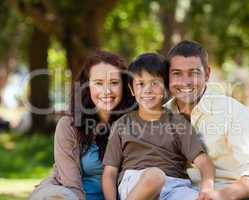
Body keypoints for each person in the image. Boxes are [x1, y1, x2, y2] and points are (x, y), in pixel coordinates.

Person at [165, 40, 249, 200]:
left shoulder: (234, 113)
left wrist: (219, 195)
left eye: (194, 73)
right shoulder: (160, 116)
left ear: (207, 74)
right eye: (177, 73)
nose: (185, 81)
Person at [102, 53, 215, 200]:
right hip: (136, 185)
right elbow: (109, 172)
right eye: (141, 84)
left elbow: (203, 161)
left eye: (155, 83)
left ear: (166, 87)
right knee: (155, 176)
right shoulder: (122, 125)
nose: (148, 90)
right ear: (131, 89)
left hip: (174, 186)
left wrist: (207, 186)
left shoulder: (178, 123)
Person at [29, 50, 135, 200]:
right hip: (71, 194)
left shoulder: (133, 123)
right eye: (99, 83)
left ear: (125, 86)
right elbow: (71, 186)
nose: (107, 91)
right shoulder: (69, 126)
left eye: (114, 82)